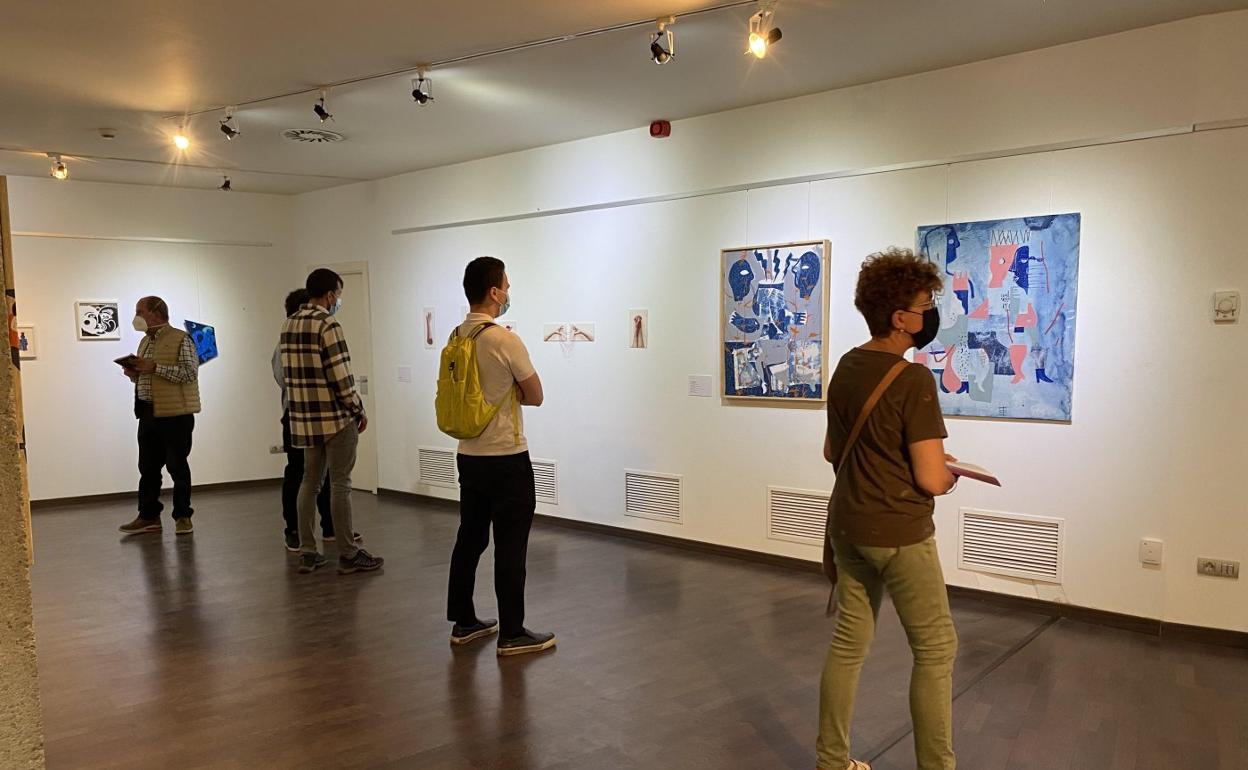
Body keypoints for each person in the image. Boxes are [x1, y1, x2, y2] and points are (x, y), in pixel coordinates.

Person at [817, 248, 959, 770]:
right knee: (936, 648)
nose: (930, 315)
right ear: (900, 318)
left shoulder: (847, 367)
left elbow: (832, 451)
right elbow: (930, 478)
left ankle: (832, 761)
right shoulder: (913, 380)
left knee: (849, 643)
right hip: (900, 532)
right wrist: (949, 474)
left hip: (848, 527)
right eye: (924, 307)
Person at [446, 257, 554, 656]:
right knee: (511, 545)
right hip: (506, 456)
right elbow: (536, 395)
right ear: (494, 292)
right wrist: (514, 390)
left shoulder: (457, 335)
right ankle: (512, 631)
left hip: (469, 453)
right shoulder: (503, 340)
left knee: (470, 538)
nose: (508, 293)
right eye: (506, 287)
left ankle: (463, 621)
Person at [279, 269, 382, 575]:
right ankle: (348, 553)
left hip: (304, 419)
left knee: (309, 482)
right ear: (328, 295)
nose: (338, 300)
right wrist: (358, 409)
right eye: (338, 294)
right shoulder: (328, 324)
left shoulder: (289, 324)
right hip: (335, 419)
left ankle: (308, 552)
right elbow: (341, 375)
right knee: (340, 485)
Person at [118, 297, 201, 536]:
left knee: (177, 466)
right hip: (147, 412)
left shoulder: (181, 339)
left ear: (156, 313)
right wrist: (135, 374)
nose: (136, 316)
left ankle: (183, 516)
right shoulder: (145, 341)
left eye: (139, 311)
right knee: (147, 467)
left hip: (175, 414)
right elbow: (148, 376)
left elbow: (189, 373)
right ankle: (148, 516)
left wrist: (154, 368)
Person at [273, 288, 339, 552]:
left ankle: (330, 527)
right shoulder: (285, 344)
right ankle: (294, 530)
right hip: (296, 414)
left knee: (324, 472)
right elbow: (283, 378)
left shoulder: (318, 337)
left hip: (320, 414)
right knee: (298, 473)